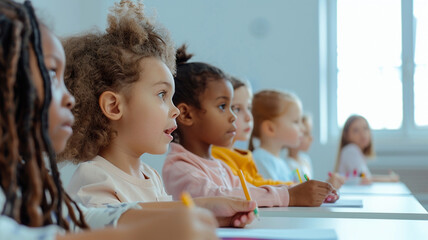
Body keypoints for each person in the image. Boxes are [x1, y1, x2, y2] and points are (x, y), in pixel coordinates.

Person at [0, 1, 219, 239]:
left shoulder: (25, 181)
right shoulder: (92, 177)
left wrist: (205, 208)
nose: (70, 98)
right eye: (52, 73)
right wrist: (143, 233)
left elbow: (81, 218)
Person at [59, 0, 255, 228]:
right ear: (114, 106)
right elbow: (111, 220)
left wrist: (210, 214)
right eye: (162, 94)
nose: (174, 110)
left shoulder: (150, 176)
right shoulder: (94, 177)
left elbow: (164, 218)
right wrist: (201, 207)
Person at [162, 46, 336, 207]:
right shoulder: (180, 168)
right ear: (186, 114)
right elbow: (221, 198)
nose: (233, 116)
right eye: (223, 106)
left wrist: (301, 189)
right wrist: (291, 196)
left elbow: (250, 188)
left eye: (232, 107)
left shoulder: (219, 166)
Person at [211, 77, 294, 186]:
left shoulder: (244, 155)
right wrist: (291, 188)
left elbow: (258, 181)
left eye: (249, 108)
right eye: (237, 109)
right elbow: (251, 186)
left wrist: (293, 187)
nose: (248, 117)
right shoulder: (215, 155)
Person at [249, 90, 303, 182]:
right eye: (296, 121)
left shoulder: (282, 162)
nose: (303, 128)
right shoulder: (260, 160)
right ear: (270, 128)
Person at [335, 115, 399, 183]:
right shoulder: (351, 150)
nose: (362, 134)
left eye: (365, 128)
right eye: (356, 130)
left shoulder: (356, 153)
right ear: (346, 135)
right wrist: (389, 179)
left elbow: (363, 176)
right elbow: (365, 178)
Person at [287, 114, 344, 189]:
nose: (311, 138)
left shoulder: (305, 160)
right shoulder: (288, 165)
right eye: (306, 133)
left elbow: (309, 186)